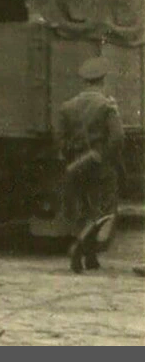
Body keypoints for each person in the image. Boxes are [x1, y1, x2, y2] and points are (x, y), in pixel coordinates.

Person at [57, 56, 125, 274]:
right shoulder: (107, 106)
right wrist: (103, 156)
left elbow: (60, 140)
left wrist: (74, 157)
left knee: (86, 209)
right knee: (105, 210)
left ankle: (90, 257)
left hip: (77, 164)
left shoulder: (67, 106)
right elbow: (118, 137)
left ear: (85, 82)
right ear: (102, 81)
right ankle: (79, 247)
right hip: (101, 166)